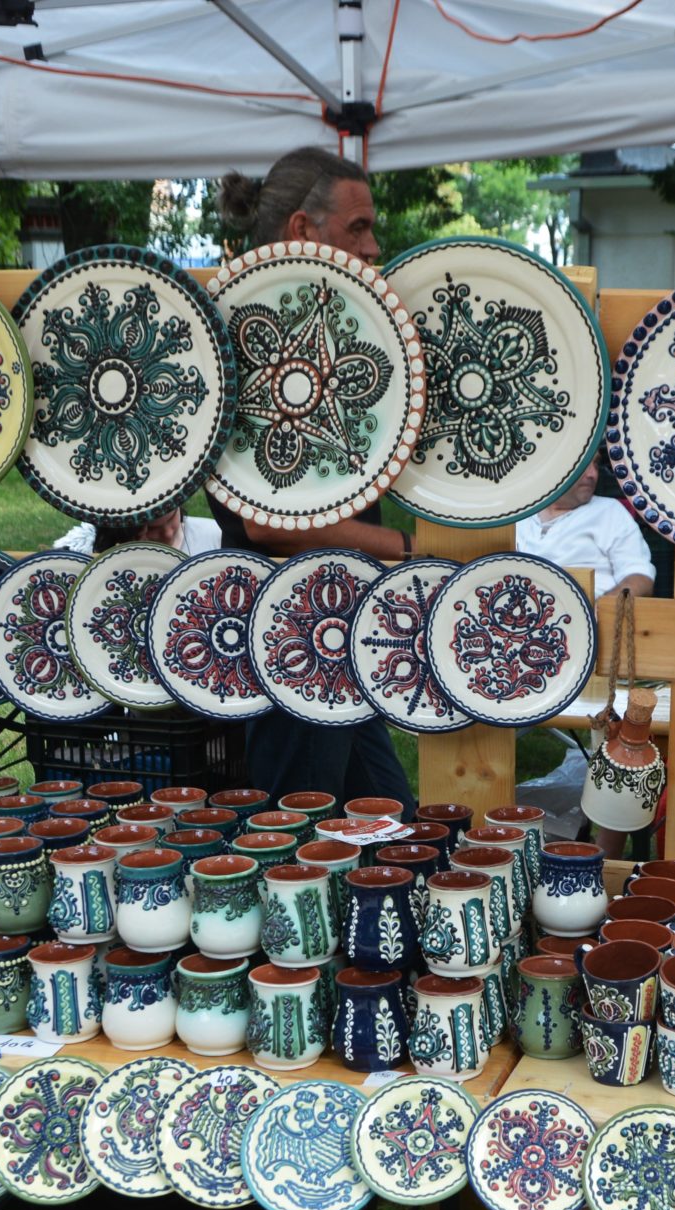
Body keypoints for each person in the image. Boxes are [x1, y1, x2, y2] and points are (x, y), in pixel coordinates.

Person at [209, 147, 417, 811]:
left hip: (335, 616)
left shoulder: (310, 332)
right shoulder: (252, 338)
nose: (373, 246)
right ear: (302, 228)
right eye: (358, 227)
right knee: (301, 831)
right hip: (292, 621)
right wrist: (407, 550)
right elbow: (266, 524)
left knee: (387, 823)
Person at [515, 461, 654, 597]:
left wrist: (595, 609)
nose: (592, 474)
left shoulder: (609, 511)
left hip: (590, 607)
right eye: (583, 464)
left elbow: (640, 579)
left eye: (596, 464)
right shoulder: (518, 513)